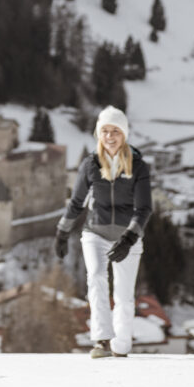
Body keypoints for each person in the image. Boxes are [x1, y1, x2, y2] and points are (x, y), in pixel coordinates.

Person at [54, 106, 152, 358]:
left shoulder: (139, 166)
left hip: (127, 236)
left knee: (124, 294)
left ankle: (120, 345)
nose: (110, 136)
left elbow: (144, 209)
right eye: (105, 131)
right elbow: (76, 202)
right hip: (94, 232)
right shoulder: (90, 164)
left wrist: (129, 238)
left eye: (115, 131)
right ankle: (101, 340)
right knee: (96, 279)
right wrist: (62, 232)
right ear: (99, 134)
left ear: (124, 134)